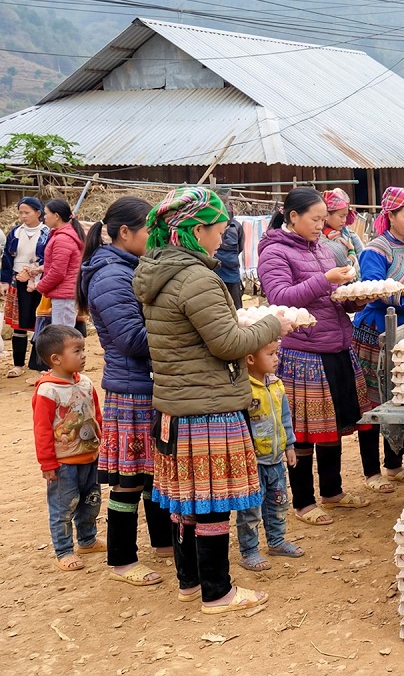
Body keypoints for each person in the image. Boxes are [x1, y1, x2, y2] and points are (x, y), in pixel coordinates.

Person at [133, 186, 294, 614]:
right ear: (197, 229)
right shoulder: (197, 277)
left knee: (186, 503)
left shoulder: (157, 269)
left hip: (174, 404)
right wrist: (272, 325)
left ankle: (190, 583)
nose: (225, 233)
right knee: (212, 504)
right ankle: (218, 592)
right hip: (207, 408)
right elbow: (226, 342)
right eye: (220, 226)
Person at [258, 187, 377, 523]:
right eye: (315, 219)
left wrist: (356, 298)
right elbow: (280, 295)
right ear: (292, 216)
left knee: (332, 426)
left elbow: (331, 297)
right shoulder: (274, 252)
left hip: (336, 344)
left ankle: (332, 492)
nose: (320, 225)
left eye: (324, 219)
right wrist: (325, 280)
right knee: (305, 432)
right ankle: (304, 502)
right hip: (303, 351)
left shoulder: (325, 248)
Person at [78, 196, 169, 586]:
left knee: (153, 473)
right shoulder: (110, 276)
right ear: (125, 233)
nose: (156, 237)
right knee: (128, 480)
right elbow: (133, 338)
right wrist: (181, 332)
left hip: (145, 384)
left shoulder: (129, 267)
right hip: (131, 389)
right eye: (149, 229)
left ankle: (164, 543)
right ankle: (121, 560)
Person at [354, 187, 404, 467]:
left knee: (400, 396)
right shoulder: (376, 250)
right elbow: (372, 289)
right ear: (391, 216)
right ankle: (371, 471)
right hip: (378, 332)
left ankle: (394, 465)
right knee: (374, 402)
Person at [32, 324, 102, 573]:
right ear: (56, 359)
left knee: (90, 502)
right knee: (64, 507)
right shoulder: (47, 390)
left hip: (90, 457)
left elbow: (95, 416)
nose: (84, 354)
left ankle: (87, 540)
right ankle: (63, 550)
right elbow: (42, 431)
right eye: (77, 350)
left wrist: (101, 444)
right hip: (63, 464)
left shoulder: (86, 382)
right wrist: (48, 464)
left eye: (84, 349)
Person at [235, 339, 304, 571]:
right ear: (250, 359)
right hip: (253, 460)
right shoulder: (244, 389)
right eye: (271, 354)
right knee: (250, 509)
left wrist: (290, 445)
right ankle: (249, 551)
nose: (276, 358)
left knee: (278, 502)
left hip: (275, 459)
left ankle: (276, 541)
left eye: (277, 353)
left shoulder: (276, 385)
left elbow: (285, 418)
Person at [3, 197, 49, 376]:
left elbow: (50, 257)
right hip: (19, 279)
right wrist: (5, 281)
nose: (23, 216)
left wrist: (34, 272)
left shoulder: (48, 232)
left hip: (41, 281)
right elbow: (7, 258)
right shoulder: (16, 233)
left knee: (42, 321)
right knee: (19, 324)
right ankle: (18, 365)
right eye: (21, 212)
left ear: (38, 213)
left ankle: (41, 365)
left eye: (27, 212)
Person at [36, 199, 84, 328]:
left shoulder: (62, 238)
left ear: (56, 216)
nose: (44, 217)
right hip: (64, 293)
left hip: (64, 295)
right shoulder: (62, 236)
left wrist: (40, 286)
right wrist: (40, 270)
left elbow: (58, 272)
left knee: (63, 335)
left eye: (46, 214)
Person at [320, 188, 364, 278]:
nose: (344, 220)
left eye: (346, 216)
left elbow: (364, 262)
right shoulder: (316, 238)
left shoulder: (351, 237)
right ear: (327, 215)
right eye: (341, 216)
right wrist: (351, 251)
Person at [213, 199, 245, 309]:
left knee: (234, 304)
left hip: (227, 268)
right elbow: (241, 246)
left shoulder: (236, 226)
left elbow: (240, 247)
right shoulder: (237, 226)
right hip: (222, 267)